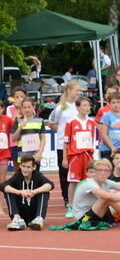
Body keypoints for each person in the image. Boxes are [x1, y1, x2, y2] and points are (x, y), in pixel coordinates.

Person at [51, 159, 119, 230]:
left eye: (106, 170)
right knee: (106, 198)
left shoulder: (106, 182)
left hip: (96, 213)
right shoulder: (89, 183)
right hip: (83, 218)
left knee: (112, 197)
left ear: (109, 173)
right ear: (95, 172)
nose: (103, 173)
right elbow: (107, 196)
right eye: (100, 170)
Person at [48, 80, 82, 208]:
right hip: (62, 145)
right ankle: (67, 199)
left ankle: (78, 198)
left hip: (78, 145)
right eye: (76, 90)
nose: (79, 92)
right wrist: (63, 132)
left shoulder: (80, 106)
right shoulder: (60, 108)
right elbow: (51, 123)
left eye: (79, 90)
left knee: (78, 172)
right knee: (64, 173)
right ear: (69, 90)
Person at [62, 97, 98, 217]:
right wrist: (65, 158)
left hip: (88, 155)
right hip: (75, 156)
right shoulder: (71, 121)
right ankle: (70, 207)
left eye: (88, 105)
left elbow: (93, 140)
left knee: (89, 181)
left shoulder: (91, 122)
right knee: (73, 181)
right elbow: (66, 141)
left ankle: (88, 206)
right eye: (84, 105)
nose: (87, 108)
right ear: (77, 107)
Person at [0, 155, 53, 231]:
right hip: (20, 213)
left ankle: (39, 219)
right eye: (23, 166)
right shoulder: (17, 176)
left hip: (34, 213)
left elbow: (50, 185)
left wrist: (34, 192)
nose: (25, 170)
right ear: (20, 166)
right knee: (8, 190)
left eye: (28, 167)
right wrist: (20, 192)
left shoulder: (37, 176)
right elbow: (3, 186)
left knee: (44, 191)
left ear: (34, 167)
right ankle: (17, 219)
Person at [97, 92, 120, 158]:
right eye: (113, 102)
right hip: (108, 149)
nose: (116, 105)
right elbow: (104, 134)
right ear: (109, 104)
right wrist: (112, 148)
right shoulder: (107, 116)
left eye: (118, 102)